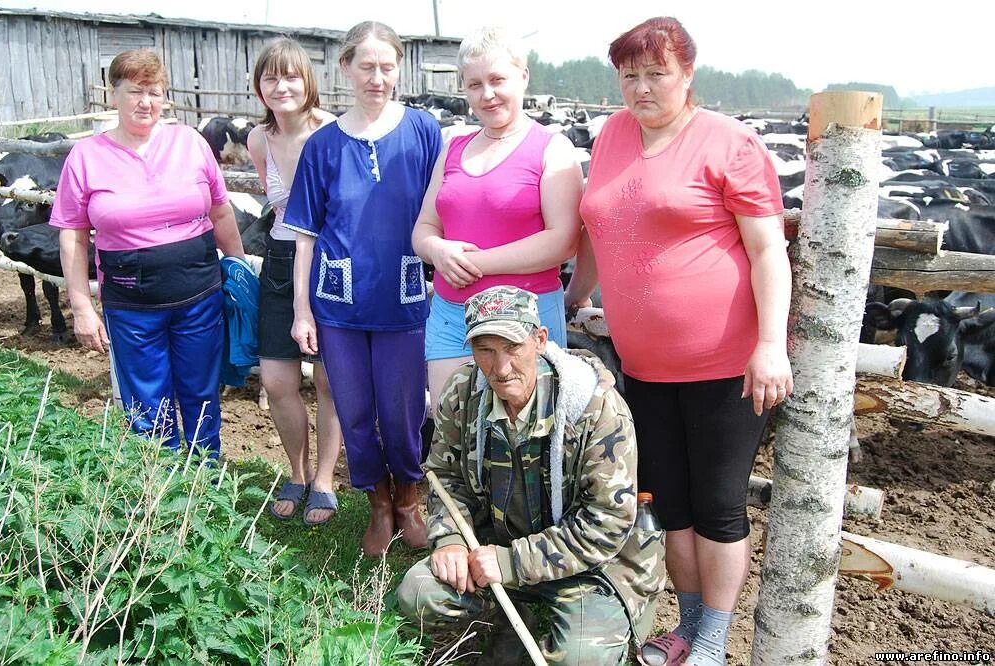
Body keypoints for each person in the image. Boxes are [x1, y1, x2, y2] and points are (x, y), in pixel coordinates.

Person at [564, 17, 793, 666]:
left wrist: (770, 343)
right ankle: (687, 627)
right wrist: (577, 295)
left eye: (656, 73)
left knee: (718, 506)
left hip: (725, 365)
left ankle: (714, 641)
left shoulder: (729, 143)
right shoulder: (610, 135)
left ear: (688, 75)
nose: (641, 87)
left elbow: (768, 249)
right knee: (670, 503)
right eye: (629, 75)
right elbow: (597, 226)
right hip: (644, 365)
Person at [397, 285, 664, 664]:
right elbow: (445, 476)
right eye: (485, 350)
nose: (500, 368)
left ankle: (583, 625)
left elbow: (606, 523)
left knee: (581, 658)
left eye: (512, 348)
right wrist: (452, 540)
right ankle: (504, 627)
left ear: (539, 340)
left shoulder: (594, 408)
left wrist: (511, 563)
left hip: (589, 566)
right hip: (494, 546)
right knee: (419, 594)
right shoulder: (463, 392)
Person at [285, 21, 442, 555]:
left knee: (402, 411)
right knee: (351, 407)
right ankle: (376, 500)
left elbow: (443, 211)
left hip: (403, 296)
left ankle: (409, 499)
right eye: (367, 66)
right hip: (339, 300)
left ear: (399, 68)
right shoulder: (323, 146)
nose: (378, 77)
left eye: (387, 66)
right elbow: (305, 237)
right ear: (345, 67)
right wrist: (302, 309)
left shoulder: (423, 131)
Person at [53, 48, 245, 460]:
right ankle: (158, 495)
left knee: (201, 395)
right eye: (135, 92)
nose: (146, 102)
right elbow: (73, 233)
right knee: (146, 405)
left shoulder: (190, 142)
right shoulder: (86, 156)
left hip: (199, 296)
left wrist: (240, 270)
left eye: (155, 92)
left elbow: (221, 210)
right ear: (114, 94)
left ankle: (203, 486)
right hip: (131, 304)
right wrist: (82, 305)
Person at [412, 25, 583, 415]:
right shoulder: (452, 147)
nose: (487, 95)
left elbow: (563, 240)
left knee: (528, 434)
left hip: (525, 317)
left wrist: (475, 264)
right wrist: (437, 249)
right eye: (474, 85)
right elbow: (424, 227)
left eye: (497, 80)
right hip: (453, 315)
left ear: (522, 77)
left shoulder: (552, 149)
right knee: (451, 425)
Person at [246, 38, 343, 525]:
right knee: (277, 379)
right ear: (259, 87)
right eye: (270, 78)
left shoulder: (332, 132)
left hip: (329, 257)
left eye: (291, 77)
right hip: (281, 259)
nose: (281, 87)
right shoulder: (258, 140)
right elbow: (276, 206)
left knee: (327, 377)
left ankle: (325, 478)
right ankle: (297, 472)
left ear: (308, 82)